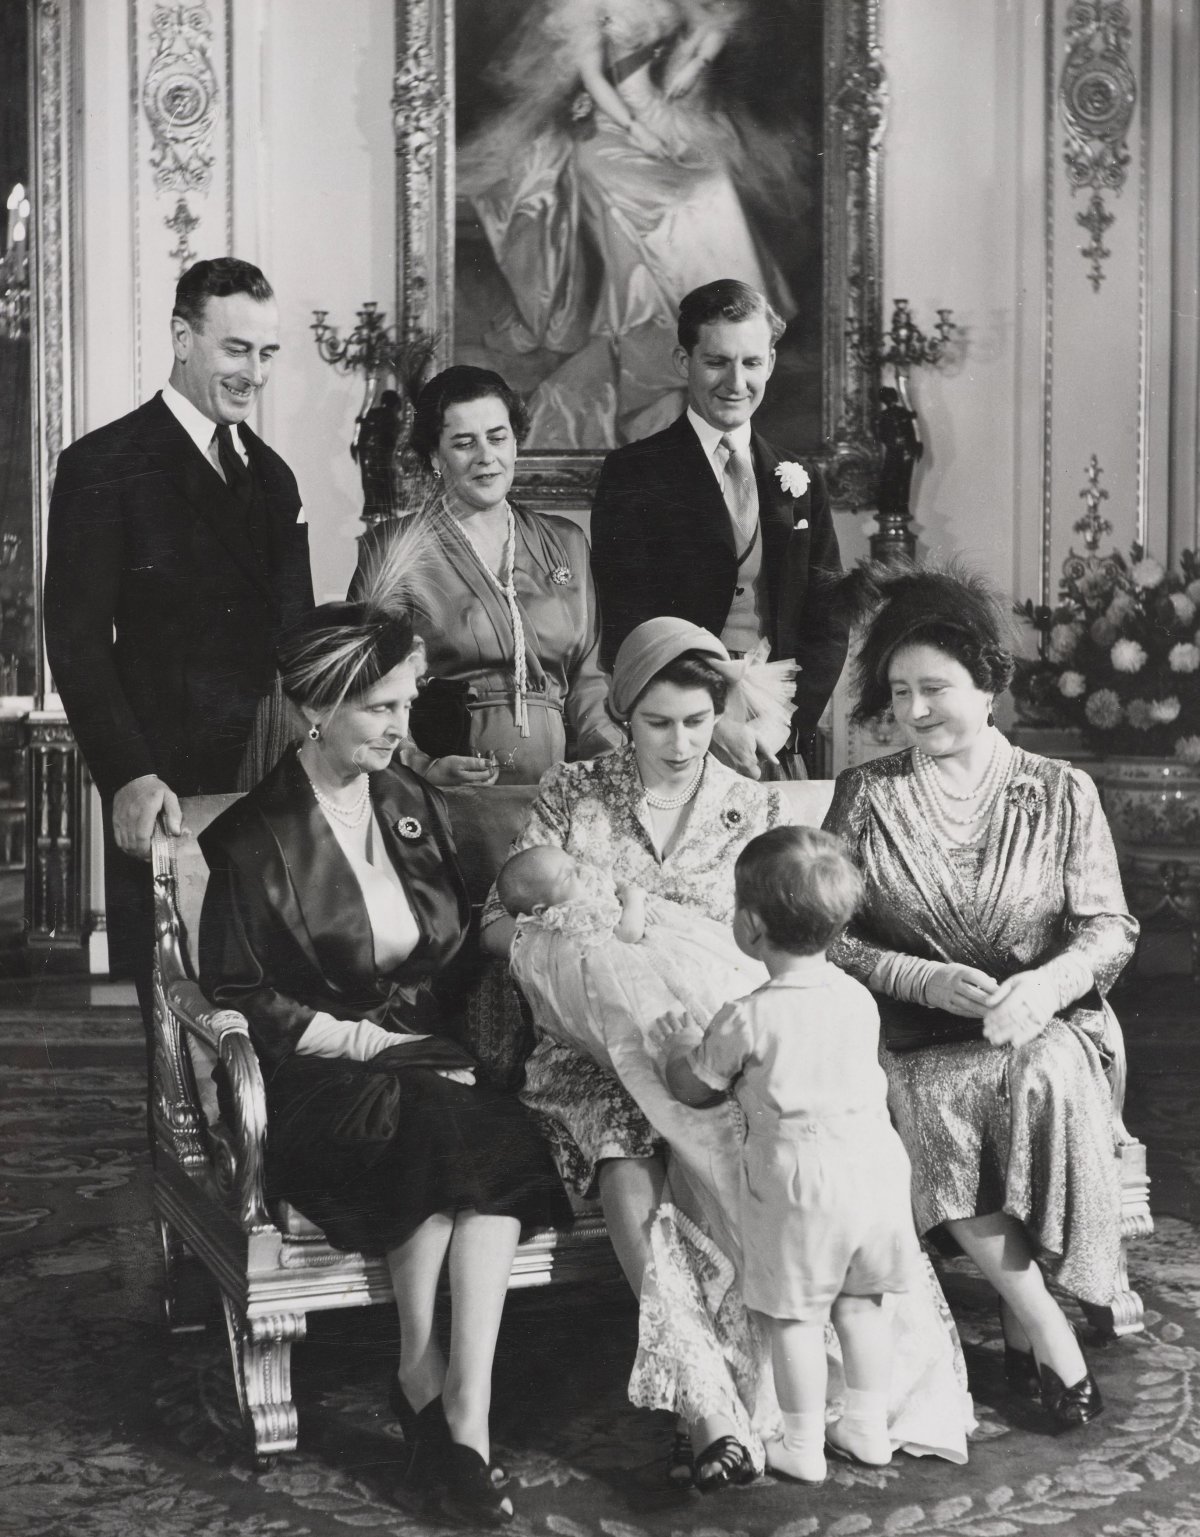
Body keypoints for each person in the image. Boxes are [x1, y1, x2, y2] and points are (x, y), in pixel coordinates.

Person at [482, 616, 974, 1491]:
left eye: (697, 722)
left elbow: (768, 952)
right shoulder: (573, 790)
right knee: (620, 1138)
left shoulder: (750, 804)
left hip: (720, 1034)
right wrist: (593, 954)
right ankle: (706, 1406)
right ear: (623, 715)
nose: (679, 744)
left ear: (720, 716)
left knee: (725, 1132)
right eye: (658, 722)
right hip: (591, 1052)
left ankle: (783, 1387)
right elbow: (502, 920)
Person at [197, 577, 570, 1526]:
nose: (404, 727)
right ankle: (417, 1368)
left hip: (428, 1055)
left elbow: (449, 949)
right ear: (318, 707)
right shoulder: (249, 837)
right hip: (318, 1079)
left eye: (407, 703)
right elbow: (242, 995)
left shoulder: (410, 800)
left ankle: (461, 1418)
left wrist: (526, 931)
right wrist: (372, 1041)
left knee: (489, 1134)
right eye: (383, 706)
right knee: (438, 1122)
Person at [822, 562, 1138, 1431]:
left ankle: (1017, 1307)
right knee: (937, 1099)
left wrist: (1040, 989)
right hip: (916, 1034)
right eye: (899, 692)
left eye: (936, 689)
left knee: (1041, 1073)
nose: (915, 710)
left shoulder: (1059, 788)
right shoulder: (866, 794)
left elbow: (1109, 927)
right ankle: (1041, 1321)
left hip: (1044, 1019)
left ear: (989, 684)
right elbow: (828, 934)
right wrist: (918, 976)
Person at [43, 256, 314, 1064]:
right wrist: (126, 774)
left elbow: (297, 640)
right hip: (164, 778)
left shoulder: (272, 476)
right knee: (180, 1009)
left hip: (269, 775)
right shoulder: (104, 463)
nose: (254, 374)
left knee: (278, 989)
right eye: (237, 350)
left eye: (268, 354)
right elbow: (78, 639)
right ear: (181, 338)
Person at [662, 826, 921, 1485]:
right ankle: (865, 1425)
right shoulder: (858, 997)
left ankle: (801, 1443)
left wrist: (677, 1044)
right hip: (878, 1169)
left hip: (802, 1180)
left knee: (796, 1316)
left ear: (748, 927)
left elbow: (695, 1087)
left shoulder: (746, 1015)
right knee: (861, 1303)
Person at [458, 0, 800, 448]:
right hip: (610, 133)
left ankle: (725, 331)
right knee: (667, 202)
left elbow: (717, 21)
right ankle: (657, 335)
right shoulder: (587, 8)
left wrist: (697, 61)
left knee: (711, 185)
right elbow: (596, 79)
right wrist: (636, 130)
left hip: (660, 118)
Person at [589, 279, 847, 778]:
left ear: (770, 363)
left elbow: (828, 618)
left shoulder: (799, 478)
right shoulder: (635, 472)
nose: (736, 382)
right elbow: (628, 621)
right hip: (678, 726)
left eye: (751, 362)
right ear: (684, 363)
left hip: (775, 732)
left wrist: (784, 729)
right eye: (716, 362)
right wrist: (706, 723)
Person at [350, 365, 622, 785]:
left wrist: (611, 768)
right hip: (445, 791)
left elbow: (590, 681)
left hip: (559, 789)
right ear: (435, 458)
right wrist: (422, 766)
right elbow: (364, 686)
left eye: (498, 438)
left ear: (516, 445)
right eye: (464, 443)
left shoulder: (566, 541)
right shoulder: (392, 550)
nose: (486, 456)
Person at [498, 844, 769, 1072]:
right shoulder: (576, 918)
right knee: (670, 1005)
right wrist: (633, 898)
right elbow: (629, 933)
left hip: (645, 959)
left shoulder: (575, 903)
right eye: (569, 876)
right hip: (630, 974)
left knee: (708, 979)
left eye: (575, 862)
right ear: (542, 908)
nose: (583, 870)